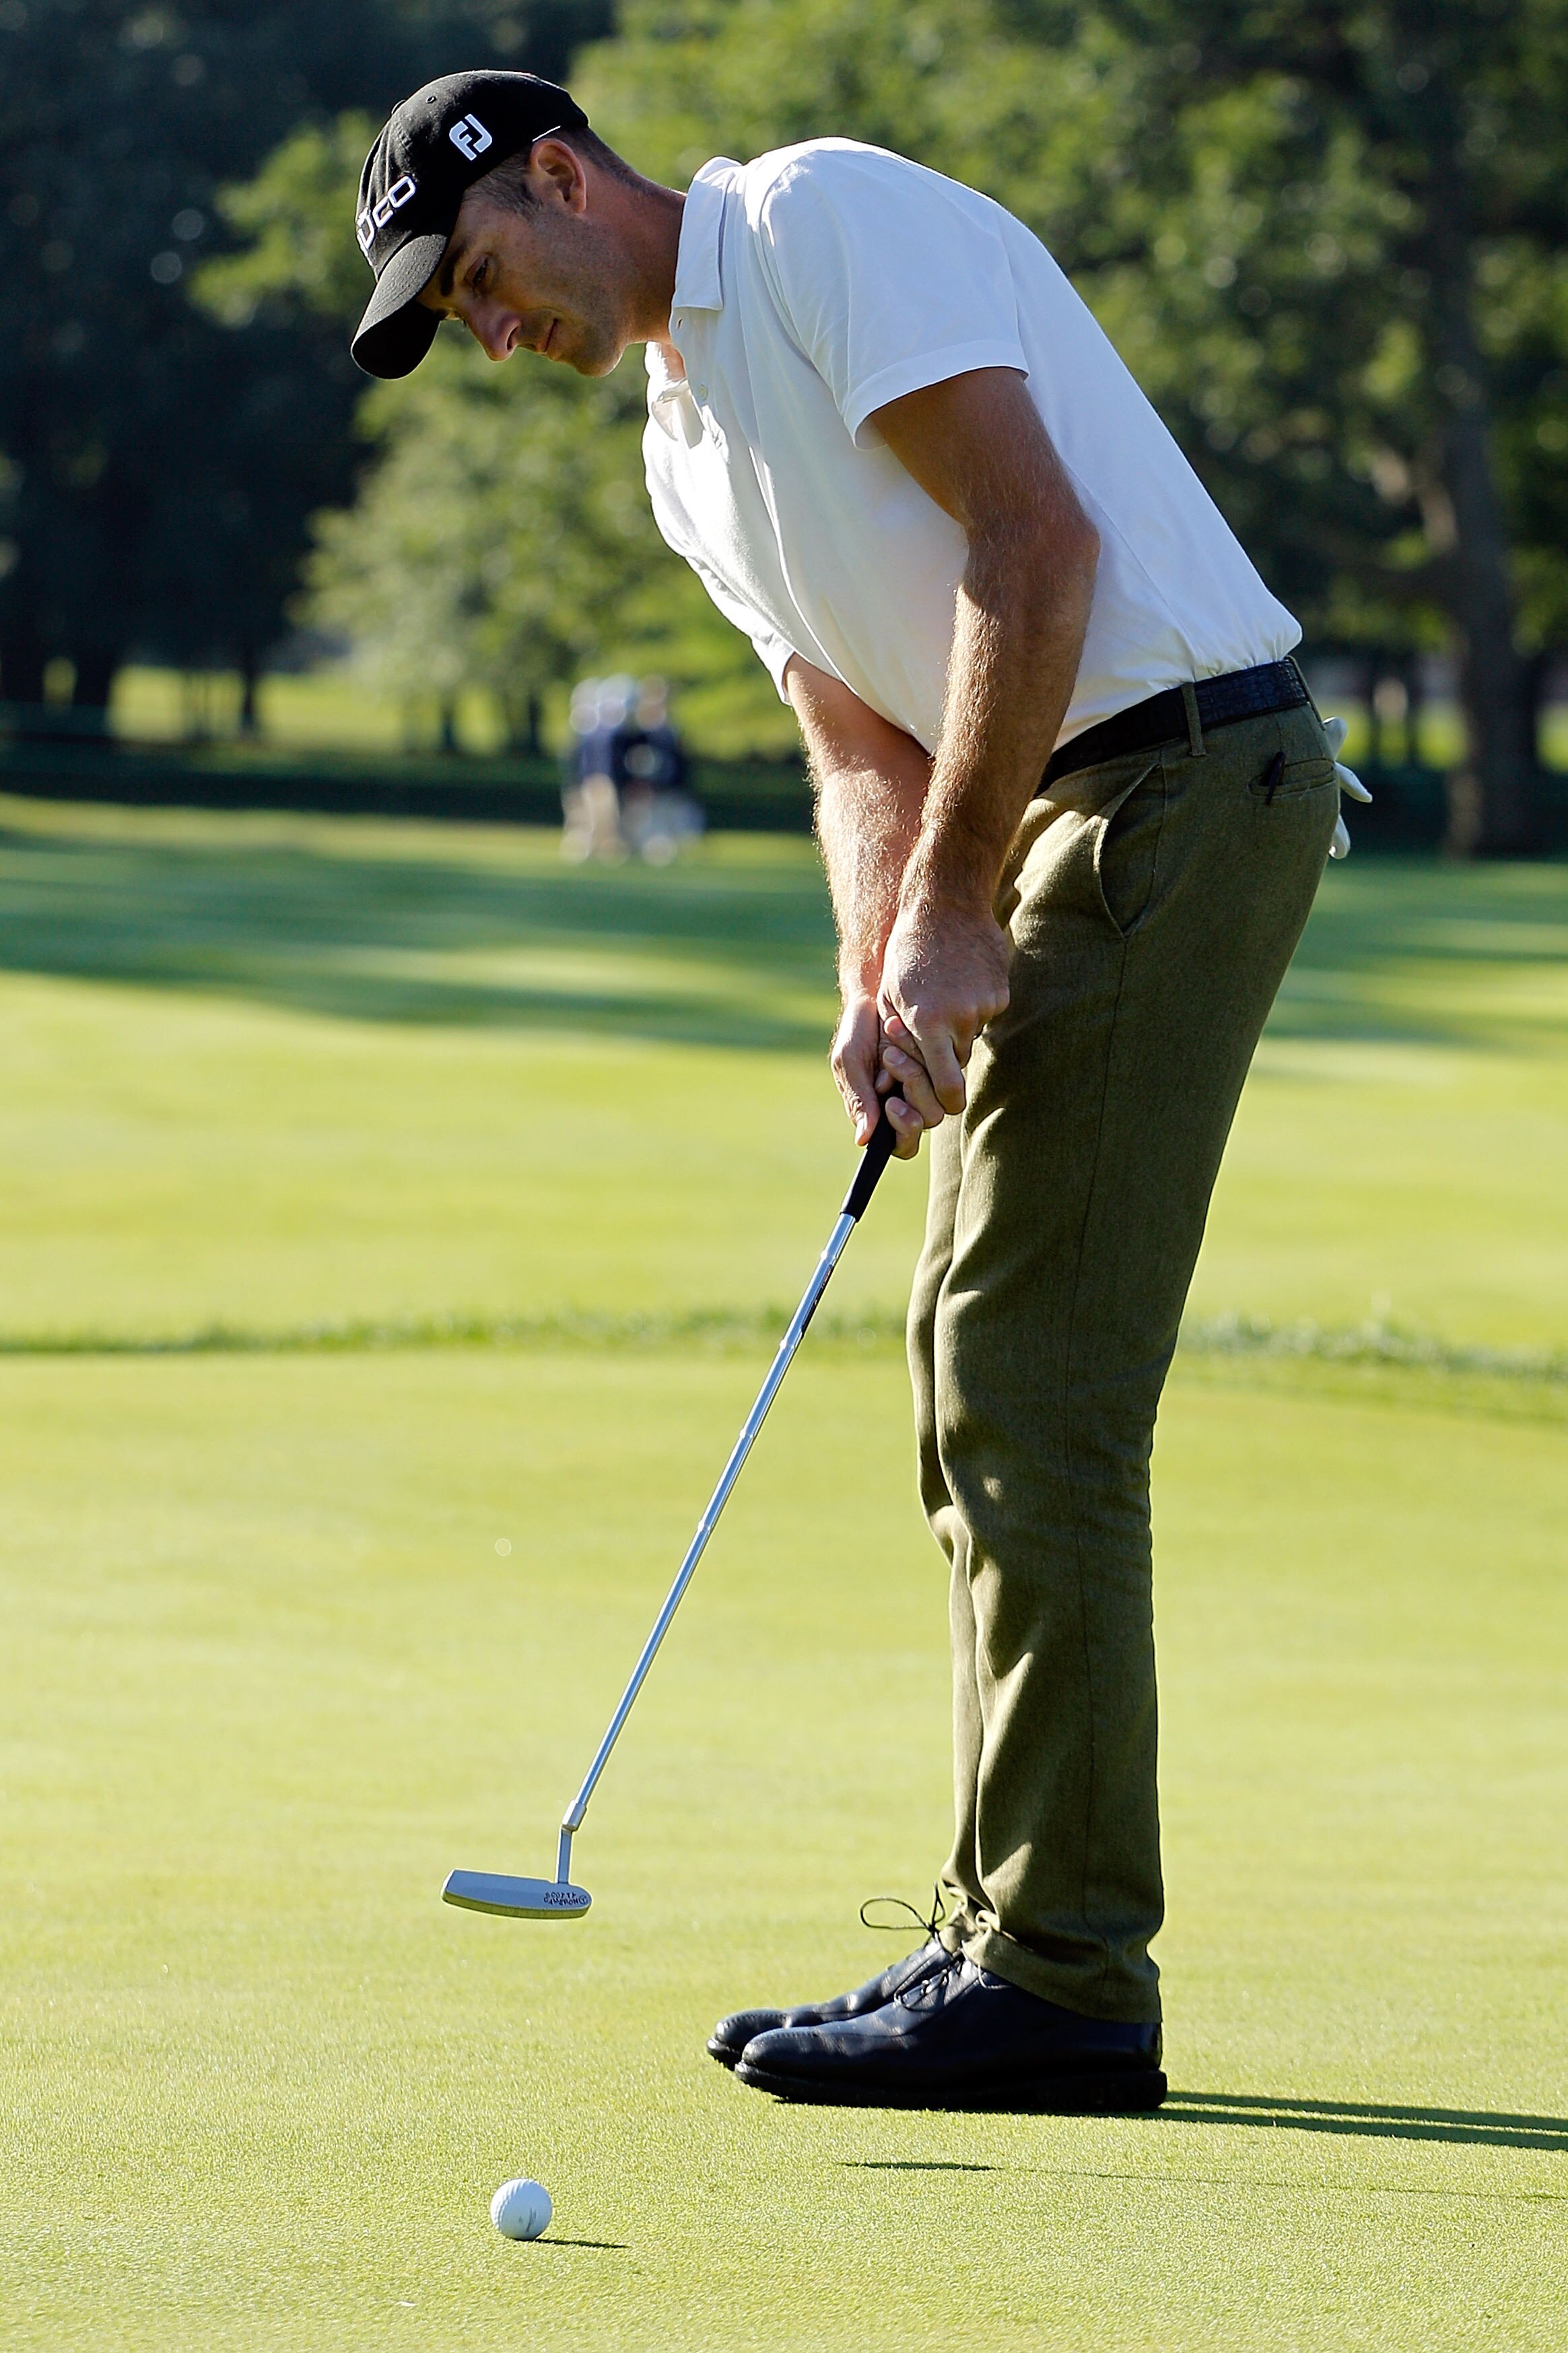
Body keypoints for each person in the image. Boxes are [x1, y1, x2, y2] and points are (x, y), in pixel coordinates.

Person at [351, 69, 1362, 2114]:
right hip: (1072, 798)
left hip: (1173, 776)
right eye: (452, 319)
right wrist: (876, 973)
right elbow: (853, 752)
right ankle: (1008, 1932)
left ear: (560, 175)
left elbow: (1029, 540)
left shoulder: (813, 225)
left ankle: (1064, 1975)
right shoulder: (678, 446)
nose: (490, 329)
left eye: (477, 277)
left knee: (1028, 1370)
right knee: (973, 1357)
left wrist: (960, 908)